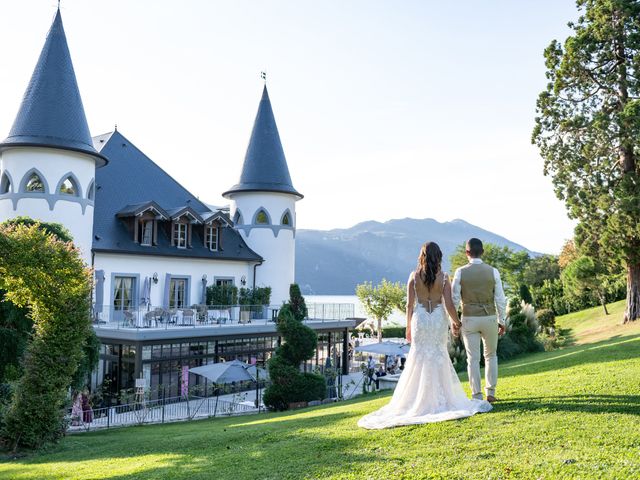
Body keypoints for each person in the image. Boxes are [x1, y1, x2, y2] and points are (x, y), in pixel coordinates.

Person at [358, 242, 492, 429]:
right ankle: (441, 398)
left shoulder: (413, 277)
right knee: (439, 355)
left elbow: (409, 306)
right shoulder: (444, 278)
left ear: (422, 256)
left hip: (420, 320)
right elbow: (449, 305)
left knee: (419, 357)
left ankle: (416, 400)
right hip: (437, 320)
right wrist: (456, 322)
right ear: (439, 256)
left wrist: (407, 327)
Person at [451, 238, 507, 403]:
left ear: (467, 252)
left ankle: (476, 395)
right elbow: (500, 299)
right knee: (491, 356)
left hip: (469, 319)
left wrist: (453, 322)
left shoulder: (460, 272)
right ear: (482, 252)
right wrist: (501, 320)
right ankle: (491, 392)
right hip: (489, 317)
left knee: (472, 359)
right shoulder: (493, 271)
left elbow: (454, 299)